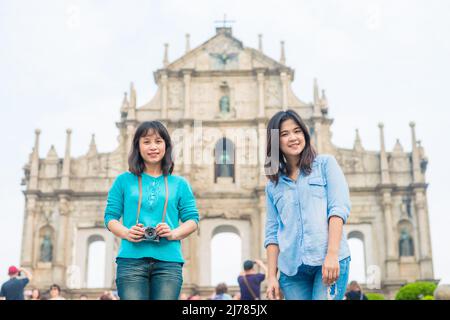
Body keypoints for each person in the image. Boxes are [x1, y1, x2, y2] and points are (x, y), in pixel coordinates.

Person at [104, 121, 199, 300]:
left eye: (158, 141)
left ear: (166, 146)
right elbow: (110, 217)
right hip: (131, 259)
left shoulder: (180, 184)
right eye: (146, 142)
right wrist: (126, 232)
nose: (153, 147)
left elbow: (193, 219)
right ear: (137, 147)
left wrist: (173, 233)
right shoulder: (123, 180)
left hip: (169, 262)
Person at [264, 109, 351, 300]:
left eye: (297, 131)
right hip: (291, 272)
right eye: (285, 134)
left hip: (327, 261)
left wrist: (332, 254)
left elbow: (338, 210)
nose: (293, 138)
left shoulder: (325, 165)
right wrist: (271, 277)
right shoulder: (273, 185)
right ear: (275, 142)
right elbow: (272, 233)